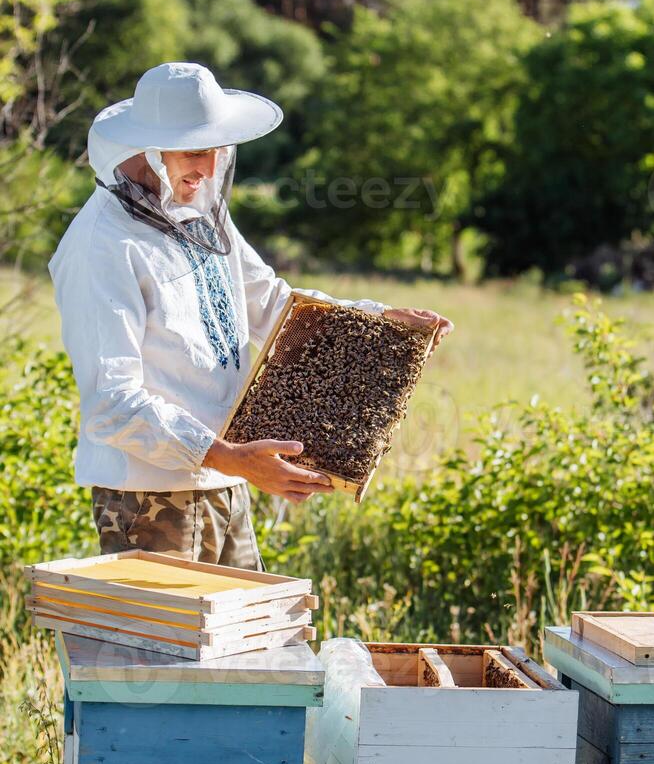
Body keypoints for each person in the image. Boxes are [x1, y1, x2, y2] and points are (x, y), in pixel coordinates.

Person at [50, 62, 453, 570]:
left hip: (223, 482)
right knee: (175, 649)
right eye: (197, 151)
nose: (212, 168)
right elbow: (112, 402)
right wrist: (226, 455)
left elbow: (269, 303)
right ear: (148, 149)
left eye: (219, 149)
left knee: (247, 643)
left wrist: (379, 324)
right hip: (149, 500)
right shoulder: (101, 247)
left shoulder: (195, 208)